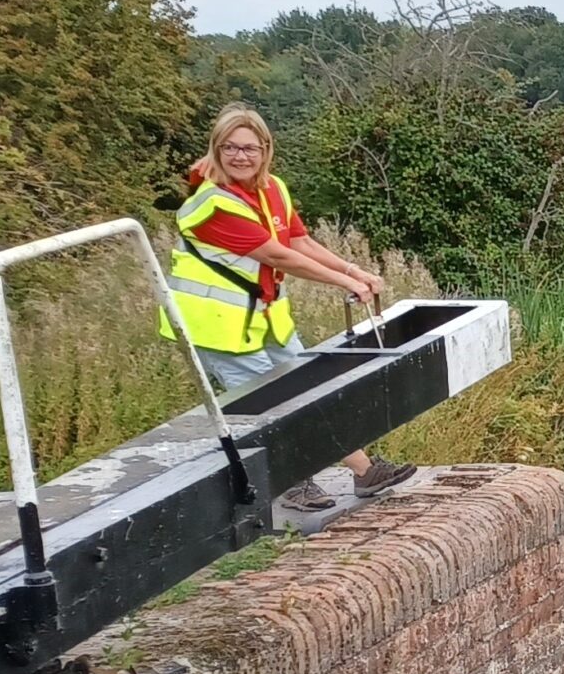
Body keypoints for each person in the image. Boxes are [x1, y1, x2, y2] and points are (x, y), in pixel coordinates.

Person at [159, 106, 414, 513]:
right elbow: (278, 256)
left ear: (265, 149)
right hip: (217, 328)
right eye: (229, 148)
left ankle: (365, 473)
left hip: (262, 320)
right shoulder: (213, 206)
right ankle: (293, 482)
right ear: (216, 149)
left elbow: (298, 241)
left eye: (249, 148)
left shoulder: (271, 189)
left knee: (310, 390)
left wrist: (353, 270)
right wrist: (345, 283)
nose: (240, 156)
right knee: (274, 406)